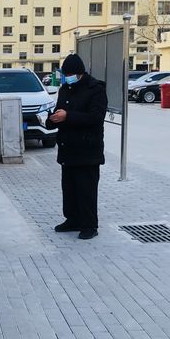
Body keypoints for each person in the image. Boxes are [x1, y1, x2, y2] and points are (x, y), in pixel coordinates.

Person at [49, 54, 107, 240]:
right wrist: (52, 119)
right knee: (69, 188)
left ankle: (89, 225)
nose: (67, 78)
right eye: (65, 74)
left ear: (80, 73)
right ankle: (72, 220)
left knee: (86, 190)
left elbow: (96, 117)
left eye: (70, 74)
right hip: (68, 148)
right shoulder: (65, 89)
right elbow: (60, 111)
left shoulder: (96, 89)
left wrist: (68, 116)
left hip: (87, 150)